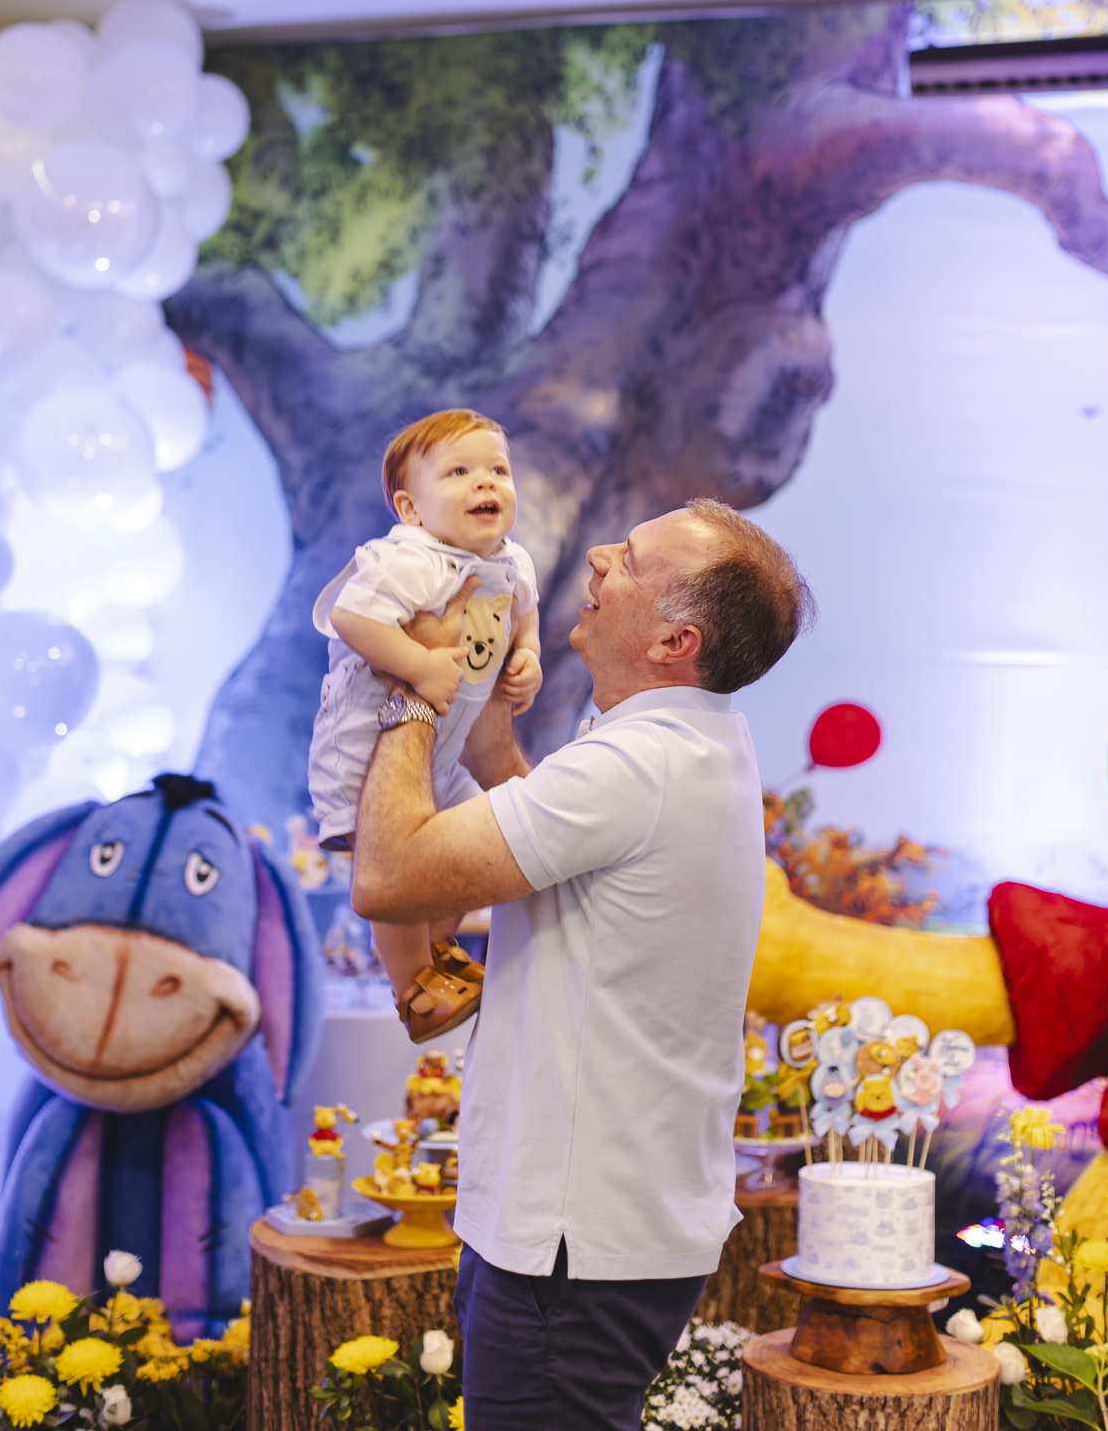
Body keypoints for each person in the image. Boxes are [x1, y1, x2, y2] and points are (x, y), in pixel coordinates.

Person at [352, 498, 814, 1431]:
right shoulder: (687, 739)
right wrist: (491, 741)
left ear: (676, 642)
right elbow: (567, 848)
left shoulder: (639, 763)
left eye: (633, 560)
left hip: (574, 1242)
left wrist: (413, 687)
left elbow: (388, 876)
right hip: (594, 1229)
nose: (599, 557)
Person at [308, 408, 542, 1042]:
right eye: (459, 472)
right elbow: (353, 618)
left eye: (498, 470)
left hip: (438, 756)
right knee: (397, 880)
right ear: (411, 509)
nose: (485, 483)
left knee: (463, 851)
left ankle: (439, 955)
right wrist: (418, 665)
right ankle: (412, 987)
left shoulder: (511, 560)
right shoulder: (407, 560)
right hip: (364, 756)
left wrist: (528, 656)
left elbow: (524, 613)